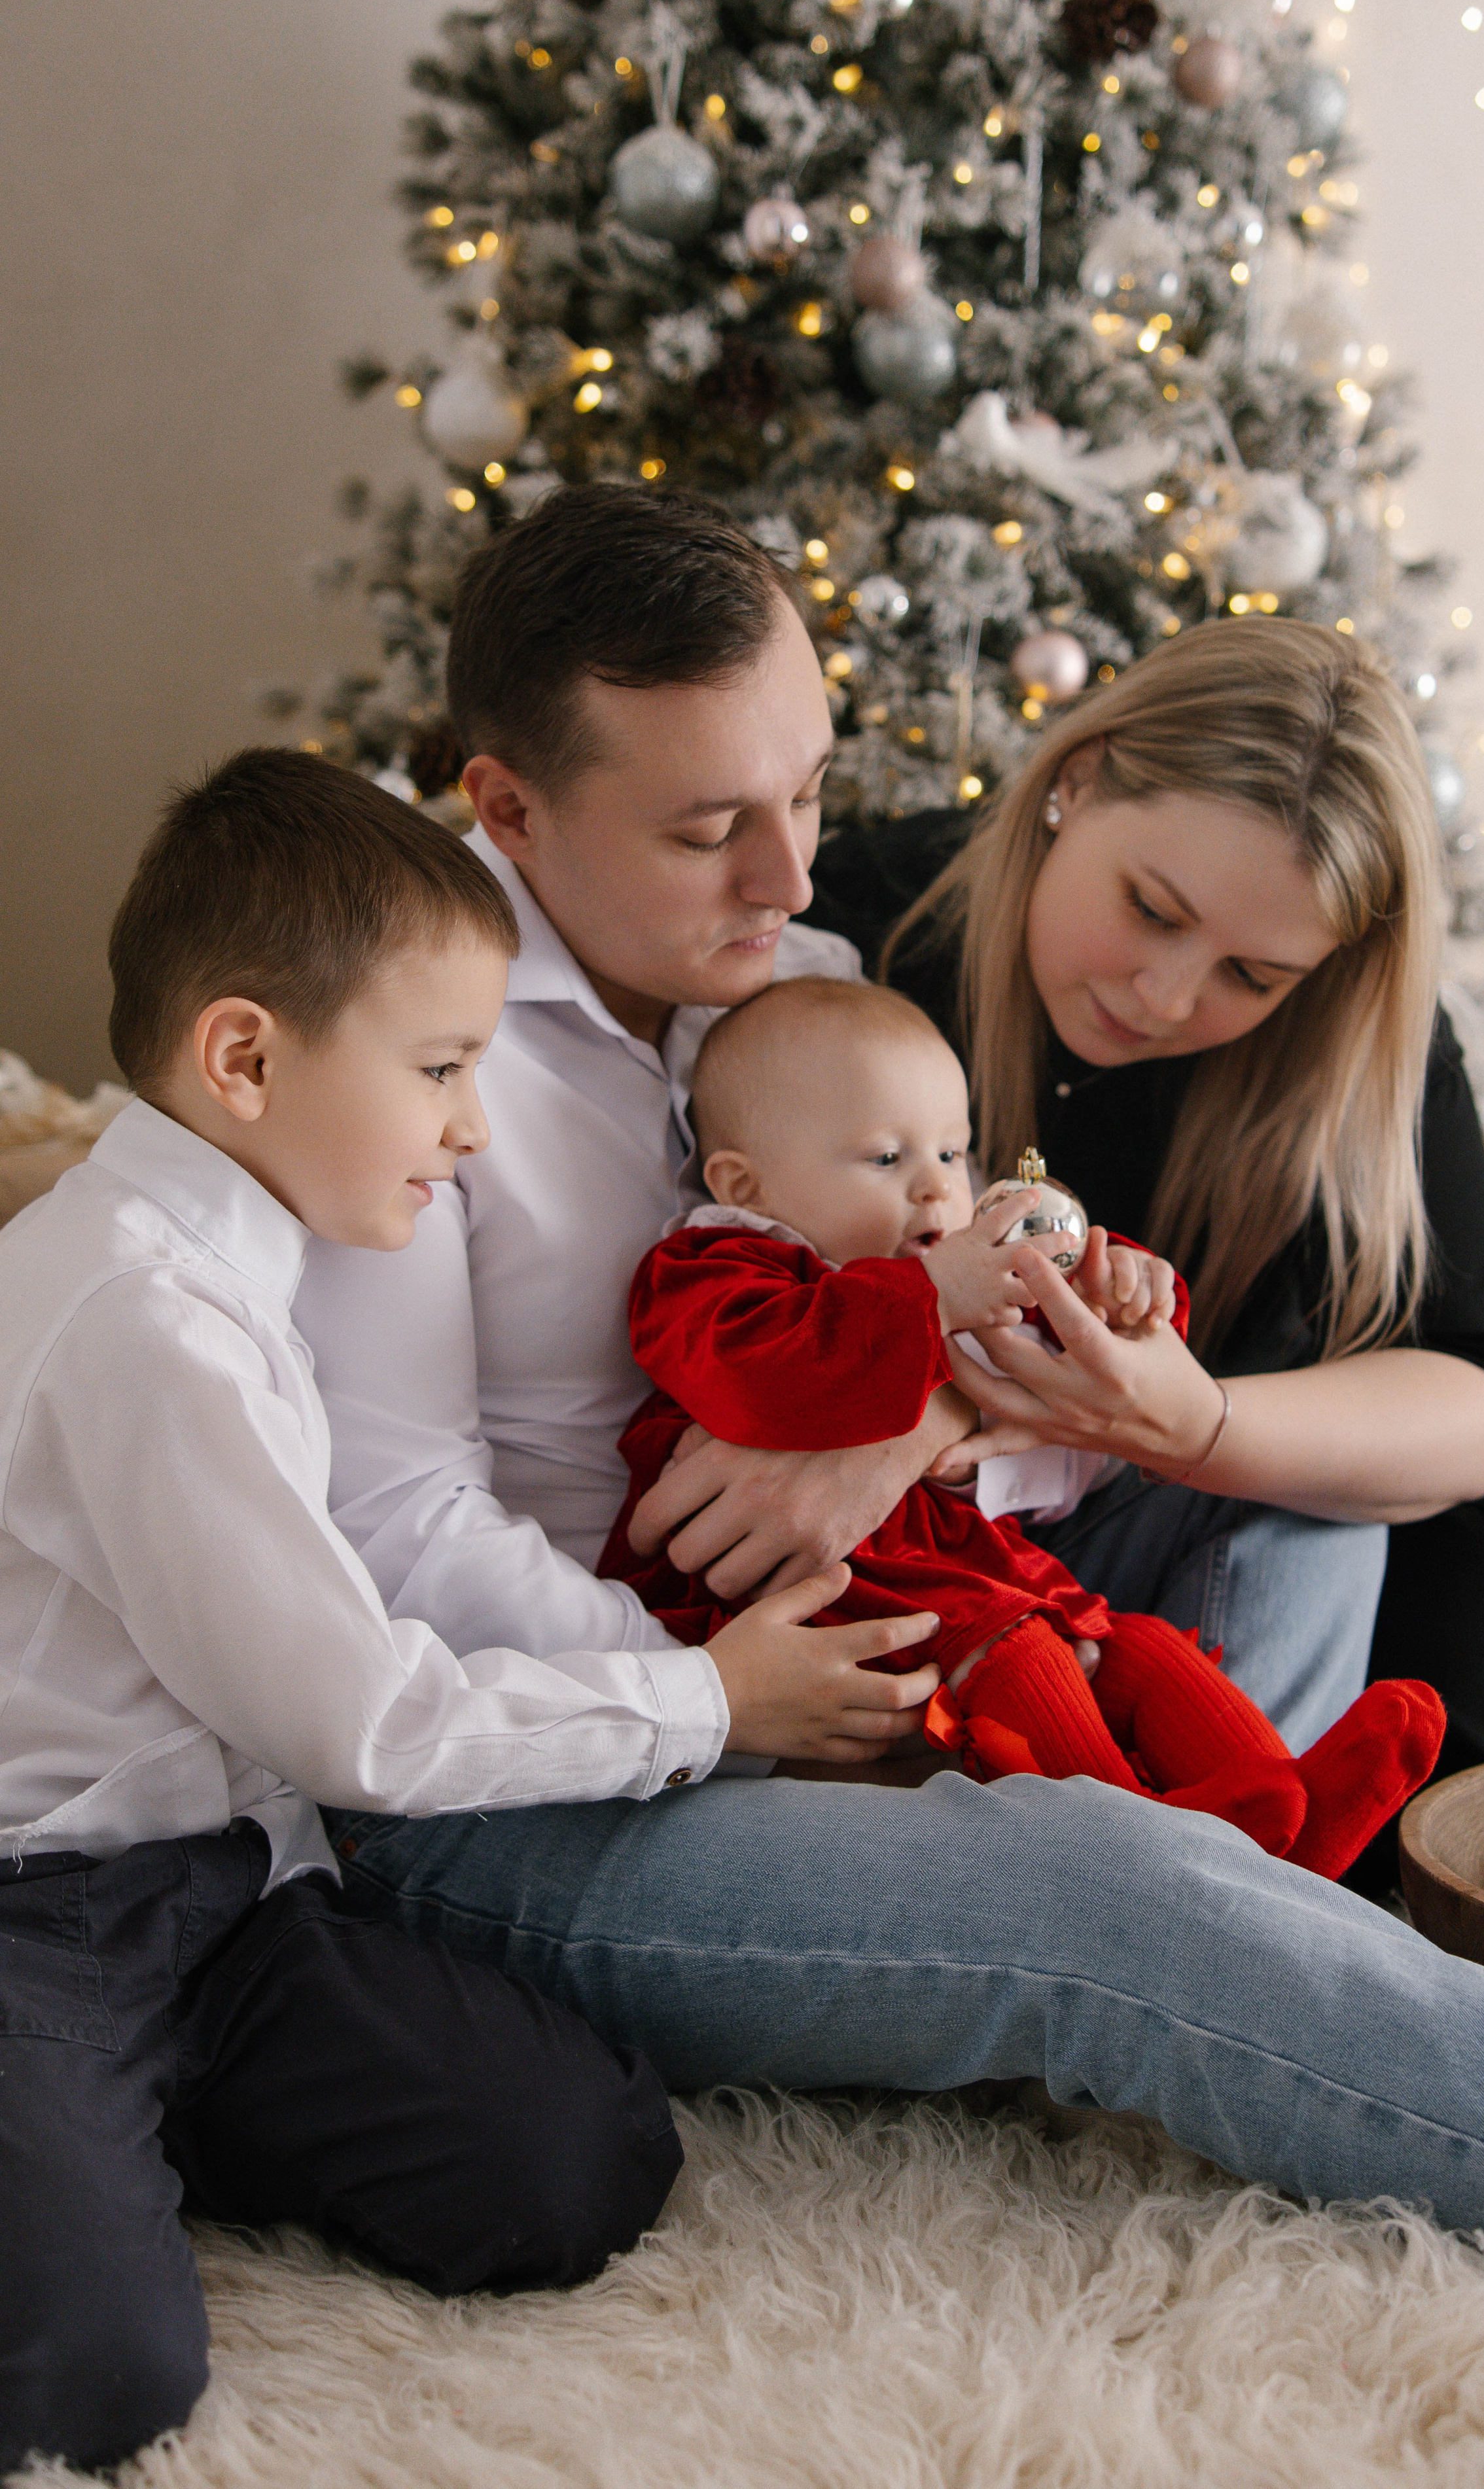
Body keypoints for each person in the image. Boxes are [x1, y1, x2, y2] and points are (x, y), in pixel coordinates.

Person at [296, 487, 1484, 2293]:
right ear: (510, 809)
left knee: (1285, 1485)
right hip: (544, 1770)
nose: (793, 871)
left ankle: (1230, 1878)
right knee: (1103, 1886)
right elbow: (387, 1532)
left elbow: (933, 1276)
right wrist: (714, 1693)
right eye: (717, 824)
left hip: (869, 1633)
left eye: (805, 794)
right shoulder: (395, 1040)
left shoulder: (795, 974)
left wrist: (968, 1390)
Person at [0, 749, 938, 2475]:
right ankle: (68, 2136)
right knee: (89, 2374)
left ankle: (102, 2129)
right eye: (439, 1068)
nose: (472, 1125)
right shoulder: (146, 1316)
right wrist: (707, 1700)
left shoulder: (240, 1268)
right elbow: (357, 1717)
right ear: (243, 1055)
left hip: (232, 1906)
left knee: (576, 2159)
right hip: (42, 1908)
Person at [600, 971, 1446, 1875]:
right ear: (746, 1180)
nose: (937, 1194)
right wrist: (934, 1296)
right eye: (887, 1159)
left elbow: (1059, 1369)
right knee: (1021, 1660)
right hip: (824, 1612)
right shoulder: (713, 1271)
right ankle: (1141, 1864)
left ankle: (1282, 1813)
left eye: (953, 1155)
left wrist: (1120, 1295)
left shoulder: (939, 1276)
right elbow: (768, 1383)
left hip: (971, 1580)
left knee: (1138, 1649)